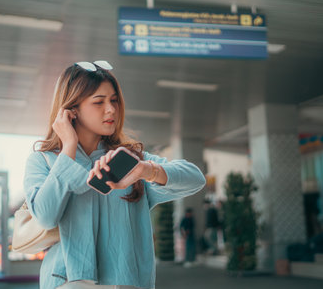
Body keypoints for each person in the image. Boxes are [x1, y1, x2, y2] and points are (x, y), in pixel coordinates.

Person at [23, 60, 206, 289]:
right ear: (71, 111)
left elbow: (195, 178)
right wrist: (68, 148)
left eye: (114, 100)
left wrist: (147, 171)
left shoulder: (129, 159)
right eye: (98, 102)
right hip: (67, 282)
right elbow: (45, 216)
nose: (110, 109)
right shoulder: (44, 161)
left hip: (126, 282)